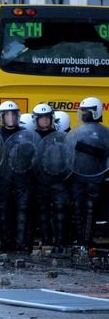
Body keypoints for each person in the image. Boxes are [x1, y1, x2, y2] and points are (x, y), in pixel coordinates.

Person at [0, 101, 31, 251]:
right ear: (1, 117)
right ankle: (5, 242)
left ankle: (21, 242)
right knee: (3, 210)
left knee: (22, 210)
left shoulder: (25, 134)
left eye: (13, 115)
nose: (10, 118)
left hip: (22, 178)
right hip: (3, 178)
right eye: (7, 115)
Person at [32, 103, 68, 248]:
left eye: (47, 117)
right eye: (41, 118)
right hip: (40, 180)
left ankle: (60, 241)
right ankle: (46, 240)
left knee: (60, 210)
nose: (45, 121)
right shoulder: (32, 136)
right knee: (43, 211)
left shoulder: (60, 136)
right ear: (36, 120)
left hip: (58, 179)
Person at [71, 97, 104, 247]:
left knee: (91, 208)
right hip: (78, 175)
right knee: (77, 206)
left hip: (95, 176)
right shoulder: (76, 131)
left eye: (85, 111)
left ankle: (87, 239)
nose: (82, 114)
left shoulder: (104, 133)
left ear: (95, 112)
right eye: (82, 111)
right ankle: (79, 238)